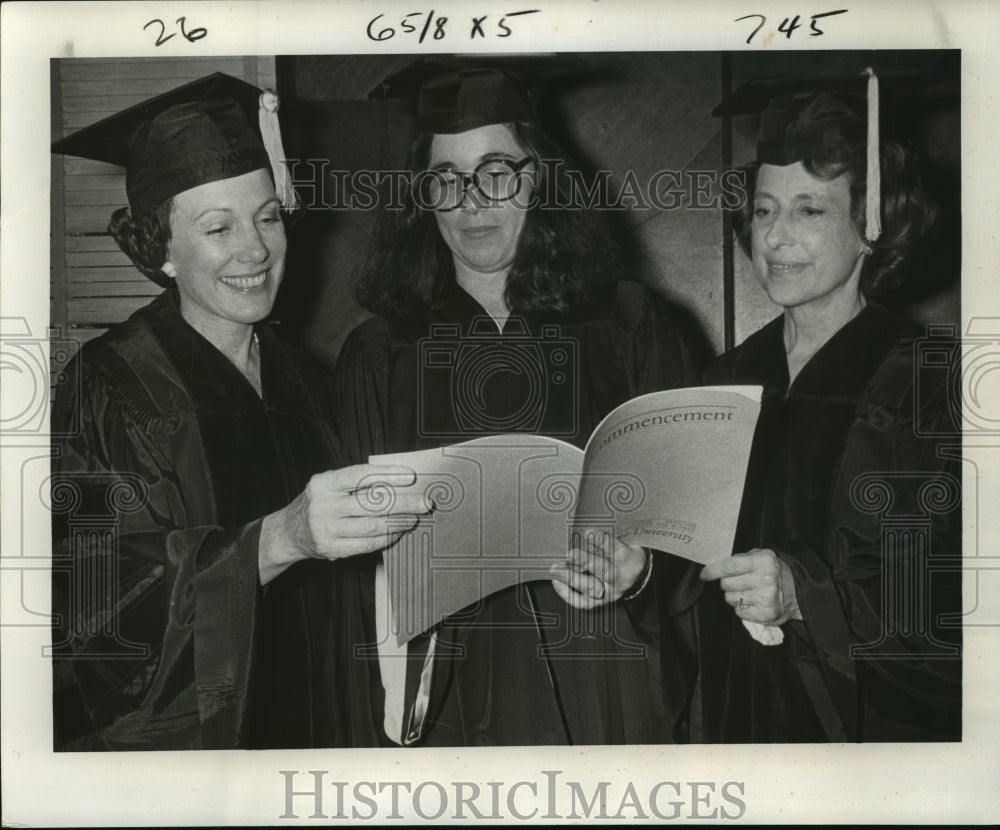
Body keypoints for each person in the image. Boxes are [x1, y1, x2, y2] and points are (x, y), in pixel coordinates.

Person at [261, 61, 699, 747]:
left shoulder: (628, 324)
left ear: (539, 178)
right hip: (448, 697)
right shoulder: (380, 354)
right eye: (446, 179)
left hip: (604, 676)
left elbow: (689, 520)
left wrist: (642, 569)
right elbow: (351, 579)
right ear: (422, 196)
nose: (471, 202)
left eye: (497, 171)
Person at [49, 73, 430, 751]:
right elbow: (97, 612)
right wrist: (276, 540)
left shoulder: (306, 378)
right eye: (218, 227)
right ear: (159, 248)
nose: (255, 249)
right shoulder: (111, 386)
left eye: (268, 215)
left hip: (325, 731)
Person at [685, 75, 962, 741]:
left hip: (863, 734)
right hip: (734, 722)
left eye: (810, 210)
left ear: (873, 225)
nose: (775, 239)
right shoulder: (725, 379)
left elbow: (954, 609)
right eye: (763, 210)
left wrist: (804, 594)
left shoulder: (931, 383)